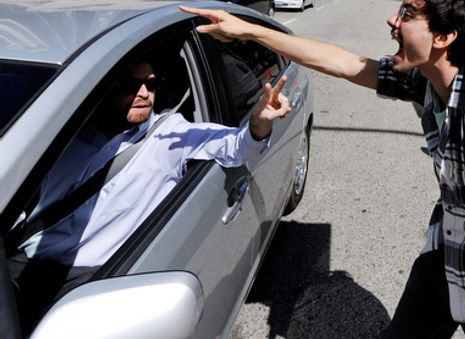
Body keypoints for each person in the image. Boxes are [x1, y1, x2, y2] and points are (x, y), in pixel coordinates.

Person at [182, 0, 465, 338]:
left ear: (444, 36)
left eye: (407, 14)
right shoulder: (423, 83)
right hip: (447, 254)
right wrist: (249, 31)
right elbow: (343, 63)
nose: (391, 22)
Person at [9, 58, 290, 330]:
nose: (143, 93)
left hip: (86, 281)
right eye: (129, 84)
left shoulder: (169, 136)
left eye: (151, 85)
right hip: (23, 261)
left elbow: (235, 146)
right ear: (104, 89)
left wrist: (258, 123)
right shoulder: (65, 135)